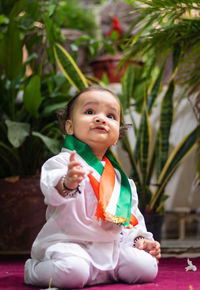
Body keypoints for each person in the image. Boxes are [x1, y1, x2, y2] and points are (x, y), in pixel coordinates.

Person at [24, 86, 161, 289]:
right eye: (89, 112)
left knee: (146, 267)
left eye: (111, 115)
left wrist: (140, 240)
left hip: (110, 248)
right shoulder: (62, 164)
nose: (100, 118)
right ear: (69, 127)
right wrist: (68, 182)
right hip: (70, 246)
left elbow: (131, 219)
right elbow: (53, 191)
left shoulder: (120, 180)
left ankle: (99, 273)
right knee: (73, 272)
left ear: (116, 136)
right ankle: (33, 270)